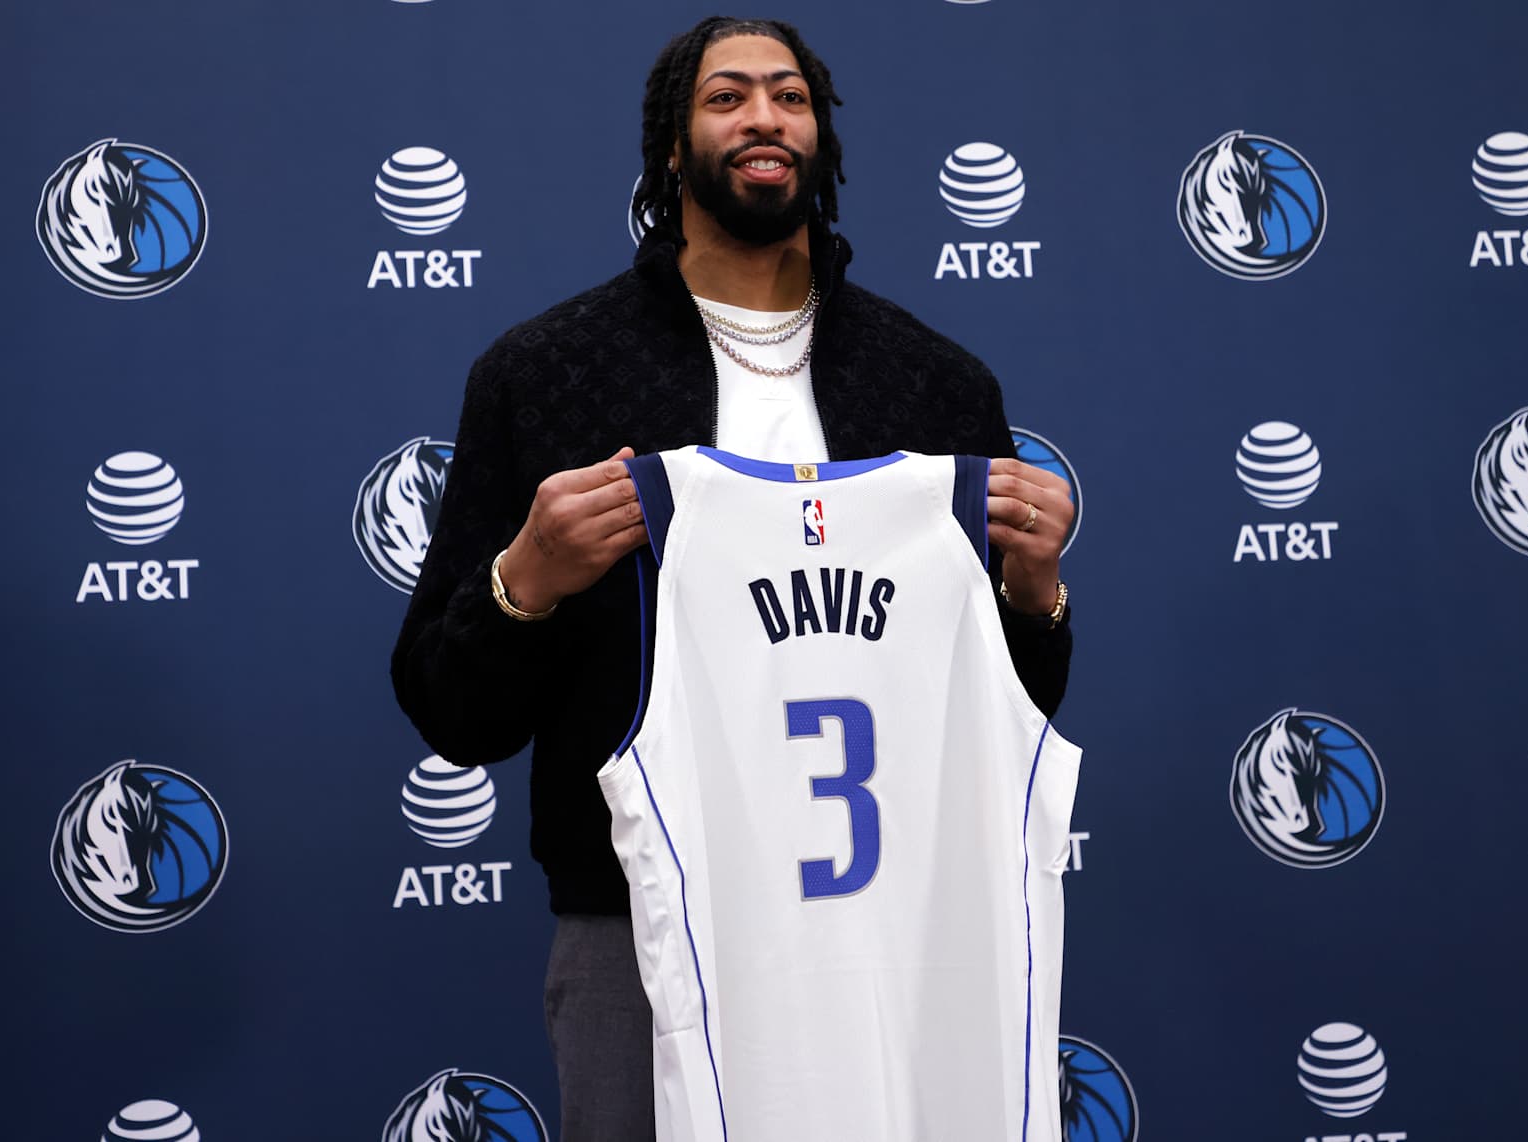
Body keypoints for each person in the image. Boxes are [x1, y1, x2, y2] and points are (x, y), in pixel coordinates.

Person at [391, 16, 1075, 1141]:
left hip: (900, 925)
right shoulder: (547, 373)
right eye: (727, 97)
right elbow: (450, 710)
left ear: (822, 137)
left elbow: (1011, 705)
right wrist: (528, 578)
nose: (764, 117)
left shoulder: (935, 383)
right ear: (672, 144)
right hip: (643, 926)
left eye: (790, 97)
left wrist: (1035, 592)